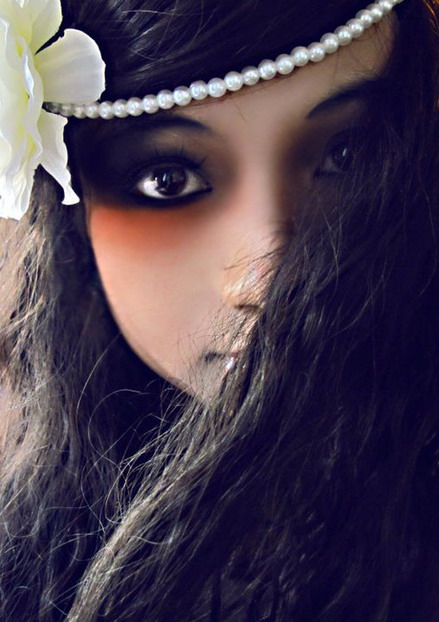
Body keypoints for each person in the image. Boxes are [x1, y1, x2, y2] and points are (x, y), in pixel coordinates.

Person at [0, 0, 438, 620]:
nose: (268, 278)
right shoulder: (30, 552)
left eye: (347, 154)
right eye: (168, 178)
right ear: (74, 210)